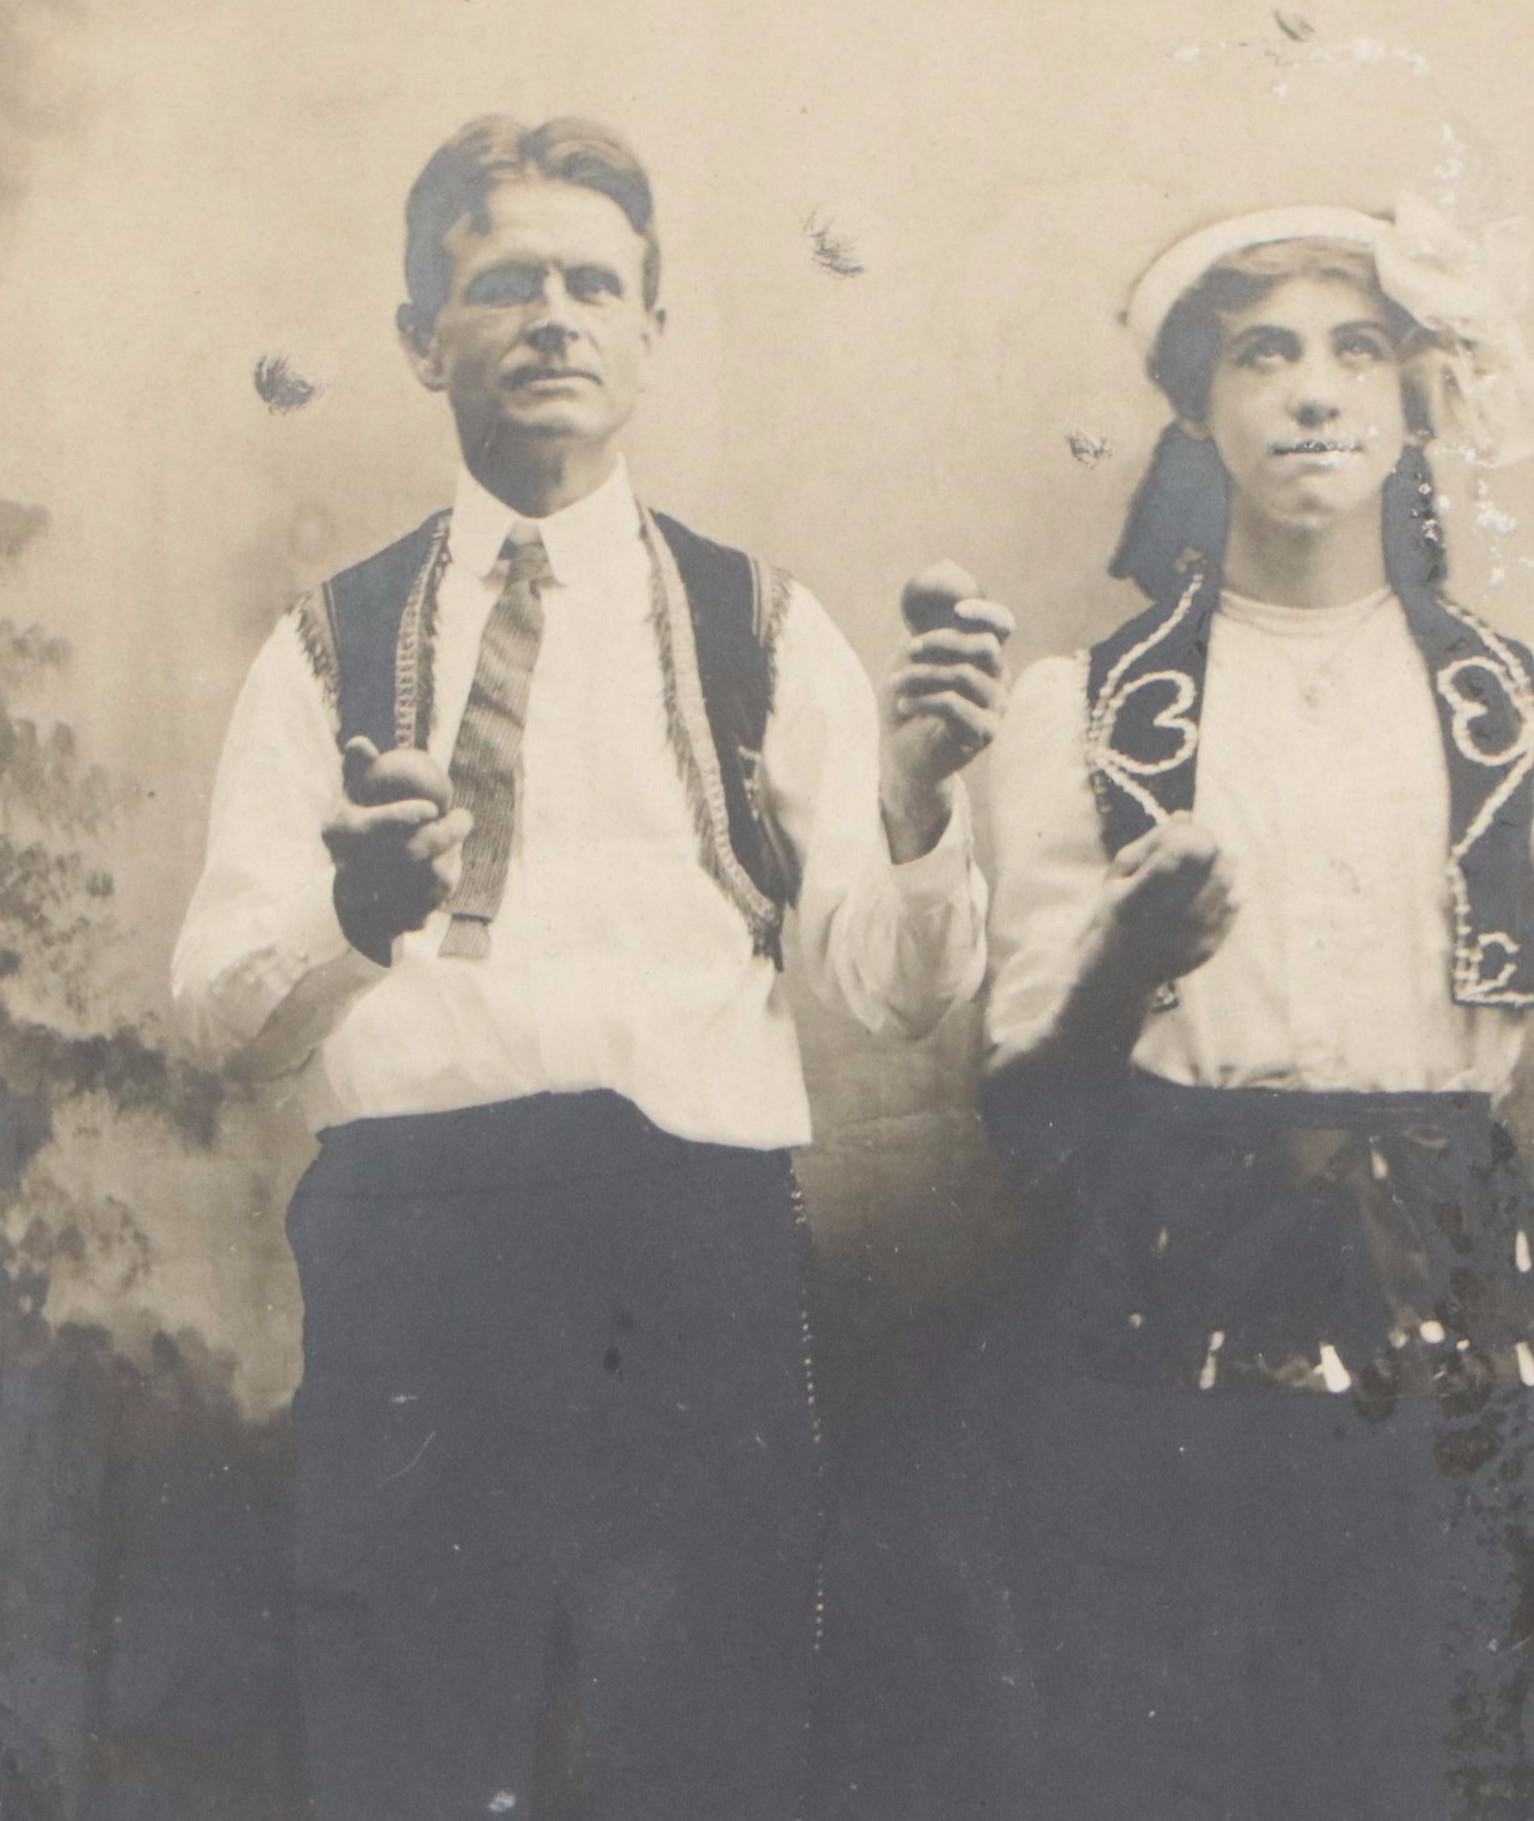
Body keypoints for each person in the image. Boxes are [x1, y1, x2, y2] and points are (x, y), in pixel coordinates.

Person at [817, 200, 1534, 1820]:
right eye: (1264, 356)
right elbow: (1027, 1128)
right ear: (1197, 410)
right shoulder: (1095, 709)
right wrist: (1129, 961)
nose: (1314, 393)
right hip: (1169, 1311)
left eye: (1358, 352)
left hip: (1469, 1316)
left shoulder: (1519, 703)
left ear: (1414, 404)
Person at [170, 114, 1011, 1821]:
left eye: (592, 283)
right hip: (420, 1241)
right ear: (425, 340)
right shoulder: (327, 644)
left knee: (703, 1725)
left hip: (686, 1244)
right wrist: (356, 920)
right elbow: (215, 1020)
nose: (552, 318)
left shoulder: (761, 625)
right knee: (410, 1718)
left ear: (650, 331)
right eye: (502, 286)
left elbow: (884, 988)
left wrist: (919, 810)